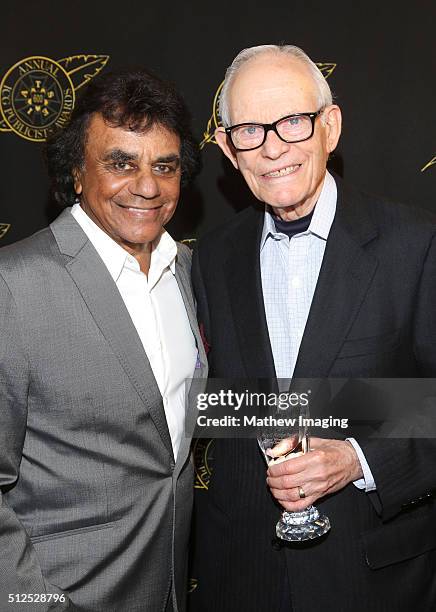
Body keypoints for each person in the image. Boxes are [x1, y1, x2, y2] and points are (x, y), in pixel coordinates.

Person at [189, 45, 436, 612]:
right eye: (250, 129)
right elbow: (219, 402)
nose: (273, 147)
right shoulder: (213, 255)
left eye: (293, 122)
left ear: (330, 127)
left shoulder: (415, 245)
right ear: (227, 147)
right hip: (241, 574)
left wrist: (357, 458)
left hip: (371, 579)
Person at [0, 68, 207, 612]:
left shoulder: (188, 272)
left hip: (168, 586)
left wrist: (375, 424)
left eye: (164, 166)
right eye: (121, 163)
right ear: (75, 171)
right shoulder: (13, 285)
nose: (147, 186)